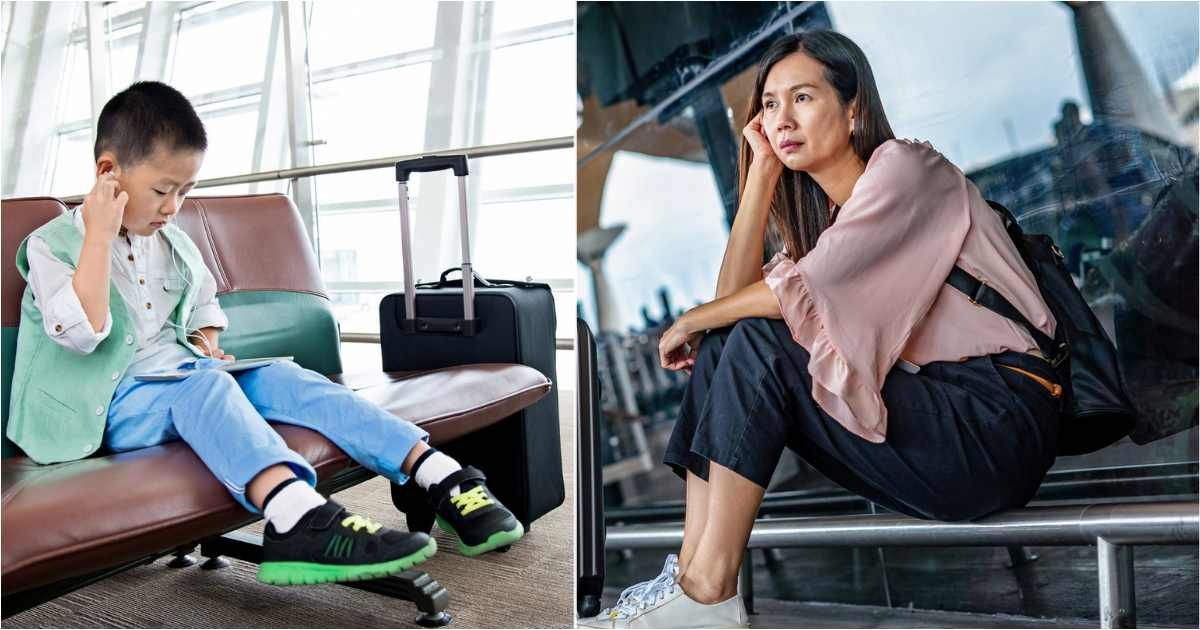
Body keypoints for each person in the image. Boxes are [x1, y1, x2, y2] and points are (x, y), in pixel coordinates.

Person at [579, 30, 1063, 629]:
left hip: (995, 421)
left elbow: (776, 301)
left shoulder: (910, 169)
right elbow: (732, 310)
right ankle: (690, 582)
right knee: (735, 336)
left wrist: (693, 318)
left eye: (803, 97)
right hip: (936, 422)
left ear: (853, 106)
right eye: (771, 103)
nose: (782, 117)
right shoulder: (829, 229)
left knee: (751, 332)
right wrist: (760, 176)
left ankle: (707, 591)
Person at [7, 81, 524, 587]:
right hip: (104, 404)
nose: (172, 208)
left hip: (182, 375)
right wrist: (98, 234)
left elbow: (203, 304)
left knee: (283, 376)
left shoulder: (171, 242)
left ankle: (439, 475)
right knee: (206, 387)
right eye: (162, 191)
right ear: (108, 174)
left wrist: (207, 341)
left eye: (185, 192)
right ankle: (295, 518)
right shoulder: (51, 246)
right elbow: (83, 332)